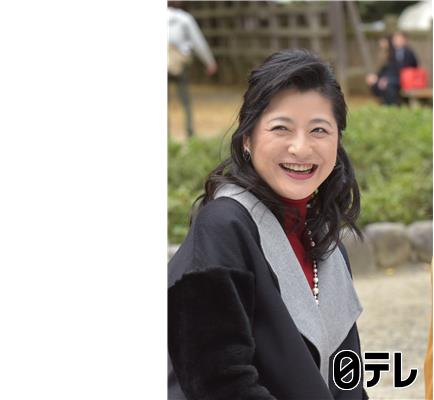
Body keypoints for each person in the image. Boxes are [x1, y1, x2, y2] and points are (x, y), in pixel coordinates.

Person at [168, 49, 369, 400]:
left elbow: (347, 380)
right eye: (281, 128)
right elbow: (219, 384)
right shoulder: (223, 227)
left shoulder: (326, 243)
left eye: (319, 130)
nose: (300, 148)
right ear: (247, 138)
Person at [168, 2, 218, 138]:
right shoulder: (185, 18)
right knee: (185, 99)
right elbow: (198, 42)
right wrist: (210, 62)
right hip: (179, 62)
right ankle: (189, 132)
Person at [366, 32, 419, 106]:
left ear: (404, 40)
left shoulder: (408, 52)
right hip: (390, 77)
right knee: (373, 82)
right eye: (395, 39)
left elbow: (408, 69)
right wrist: (376, 76)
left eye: (398, 39)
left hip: (403, 79)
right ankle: (384, 101)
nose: (396, 41)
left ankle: (393, 104)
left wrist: (387, 79)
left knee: (387, 84)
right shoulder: (391, 52)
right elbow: (386, 68)